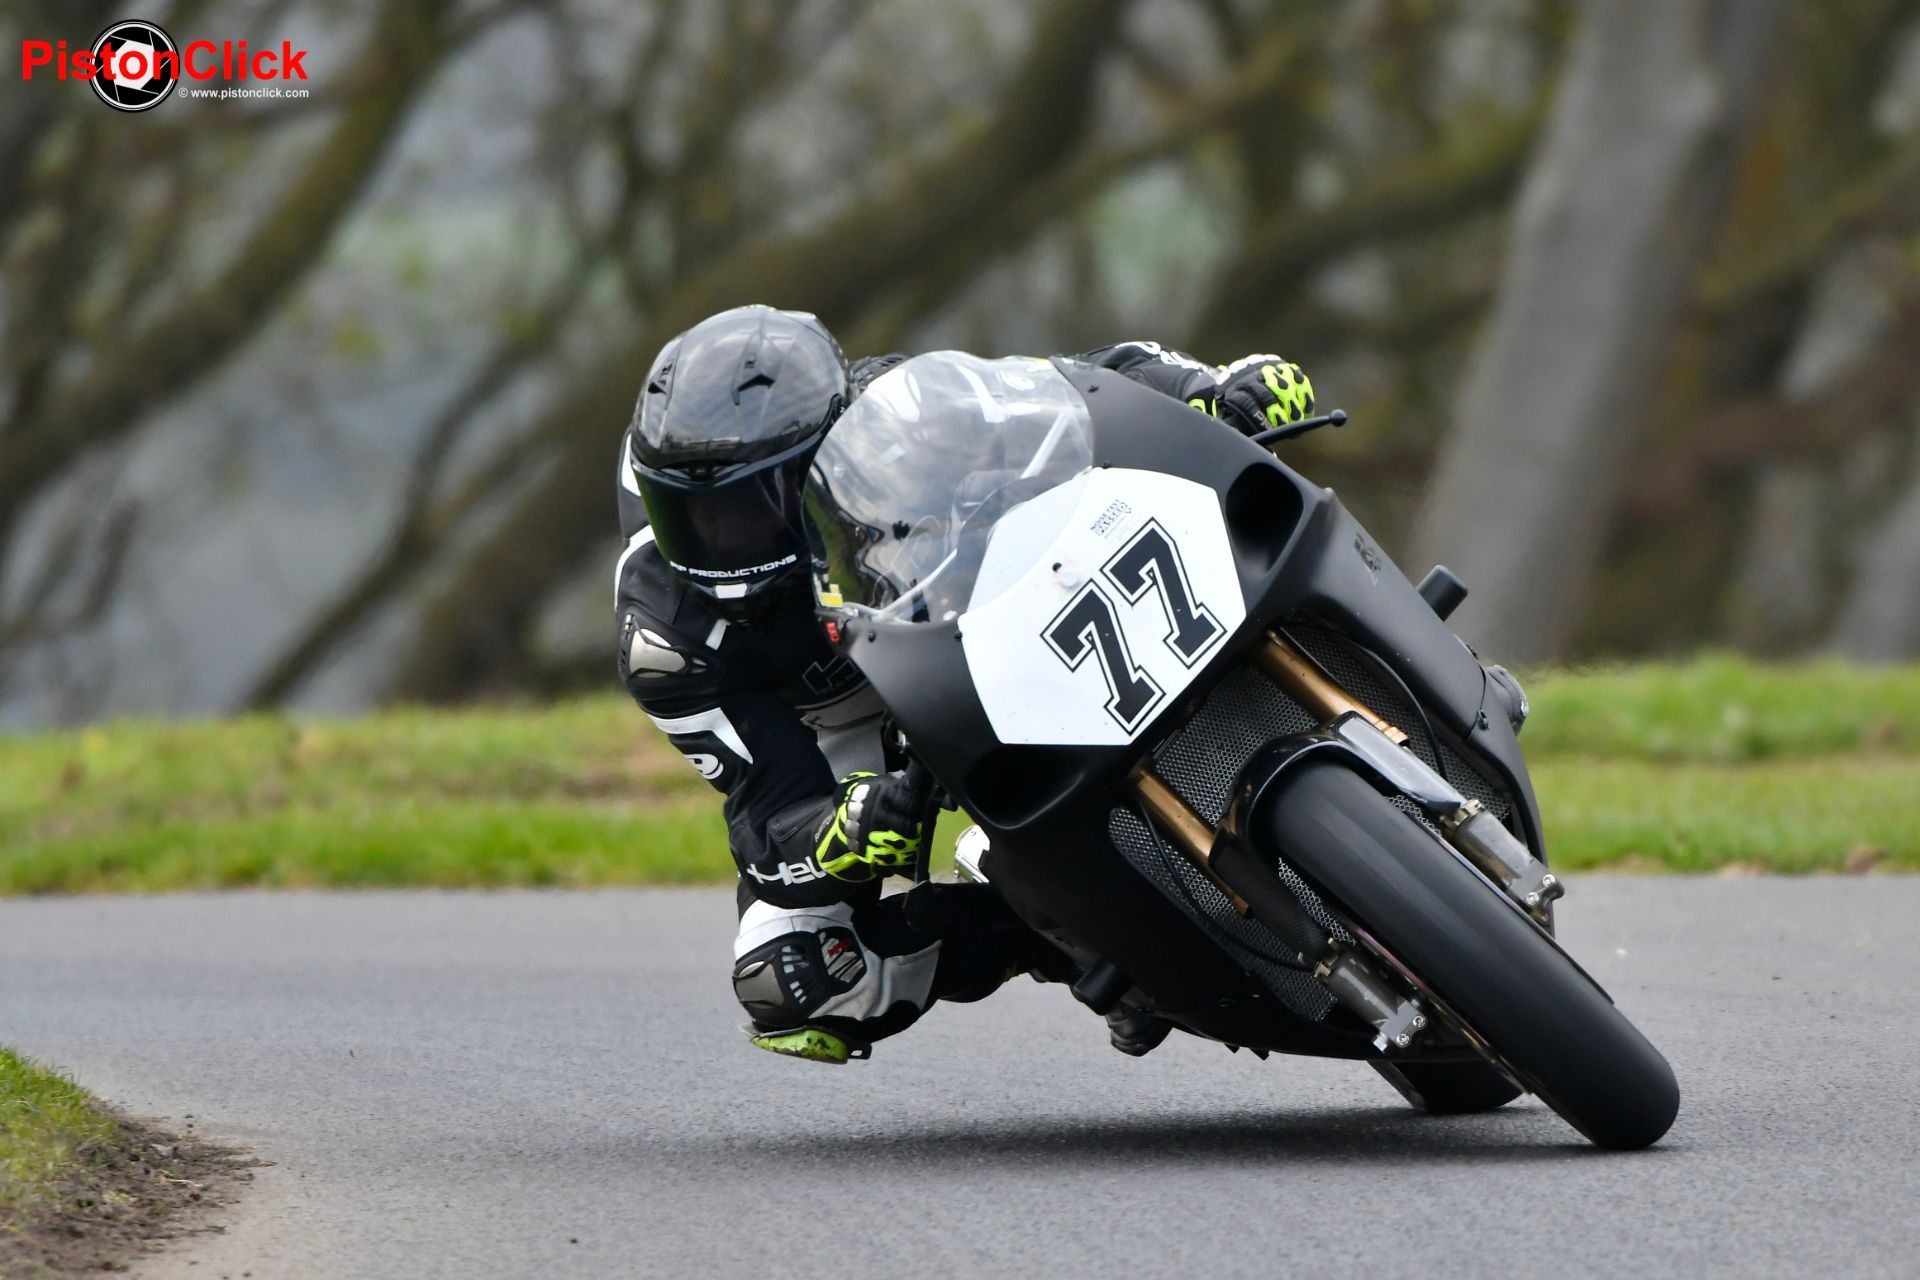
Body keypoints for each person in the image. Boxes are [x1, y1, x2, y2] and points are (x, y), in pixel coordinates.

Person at [615, 304, 1316, 1064]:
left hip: (978, 609)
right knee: (794, 984)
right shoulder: (667, 641)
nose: (714, 543)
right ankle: (1071, 940)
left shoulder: (899, 412)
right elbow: (768, 819)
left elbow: (1079, 391)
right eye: (688, 515)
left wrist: (1209, 388)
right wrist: (845, 828)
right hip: (846, 723)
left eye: (743, 512)